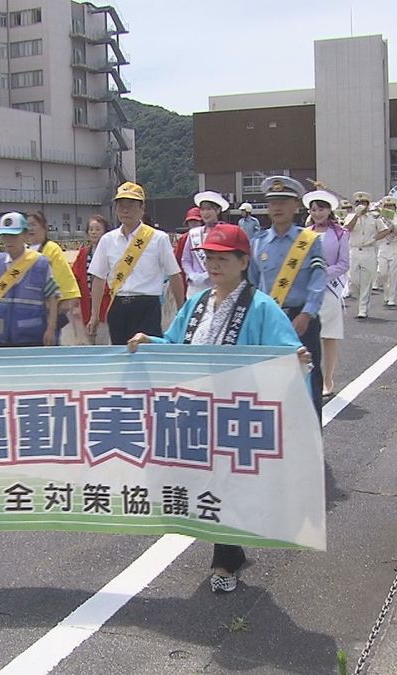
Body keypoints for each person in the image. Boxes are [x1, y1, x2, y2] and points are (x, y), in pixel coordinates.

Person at [126, 223, 312, 594]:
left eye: (222, 258)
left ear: (243, 262)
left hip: (236, 409)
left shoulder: (261, 307)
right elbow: (176, 346)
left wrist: (296, 362)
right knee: (202, 480)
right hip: (196, 406)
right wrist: (150, 343)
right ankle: (231, 549)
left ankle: (225, 557)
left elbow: (286, 352)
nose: (213, 265)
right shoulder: (197, 303)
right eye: (208, 257)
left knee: (227, 481)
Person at [248, 175, 327, 421]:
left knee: (308, 381)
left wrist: (307, 313)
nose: (277, 207)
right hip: (269, 322)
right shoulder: (258, 243)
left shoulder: (309, 241)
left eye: (284, 201)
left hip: (301, 320)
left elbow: (318, 279)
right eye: (273, 202)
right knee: (269, 383)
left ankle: (313, 446)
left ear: (296, 206)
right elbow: (251, 283)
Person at [86, 181, 184, 345]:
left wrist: (182, 311)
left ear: (142, 208)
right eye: (121, 205)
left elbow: (174, 275)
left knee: (148, 355)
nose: (125, 210)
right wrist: (94, 314)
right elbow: (99, 278)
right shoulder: (107, 240)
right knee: (121, 356)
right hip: (118, 305)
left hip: (147, 306)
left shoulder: (158, 238)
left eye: (131, 205)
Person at [0, 212, 59, 347]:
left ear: (24, 235)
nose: (8, 240)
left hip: (32, 336)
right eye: (4, 236)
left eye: (13, 236)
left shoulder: (40, 263)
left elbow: (53, 298)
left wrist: (51, 329)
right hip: (0, 337)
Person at [303, 188, 348, 399]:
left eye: (321, 209)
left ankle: (328, 379)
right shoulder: (305, 233)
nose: (317, 213)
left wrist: (322, 274)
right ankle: (310, 378)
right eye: (313, 210)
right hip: (308, 290)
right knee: (309, 336)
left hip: (330, 289)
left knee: (329, 337)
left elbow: (343, 263)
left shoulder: (340, 233)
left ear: (329, 210)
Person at [26, 211, 82, 344]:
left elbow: (62, 275)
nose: (30, 229)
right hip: (31, 312)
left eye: (34, 224)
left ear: (44, 226)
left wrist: (64, 300)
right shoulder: (25, 251)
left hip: (49, 311)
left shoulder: (52, 248)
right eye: (27, 225)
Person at [344, 191, 388, 319]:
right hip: (354, 250)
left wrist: (375, 238)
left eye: (363, 203)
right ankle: (359, 297)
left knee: (367, 281)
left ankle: (363, 309)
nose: (361, 205)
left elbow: (384, 230)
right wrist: (356, 216)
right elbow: (347, 228)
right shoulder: (351, 216)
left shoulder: (374, 218)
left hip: (369, 251)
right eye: (358, 203)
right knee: (354, 279)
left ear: (368, 205)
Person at [71, 215, 113, 346]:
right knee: (89, 342)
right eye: (91, 229)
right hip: (86, 304)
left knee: (103, 340)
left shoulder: (111, 252)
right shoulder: (83, 253)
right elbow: (75, 276)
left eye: (97, 229)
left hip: (106, 304)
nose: (94, 232)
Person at [181, 190, 232, 298]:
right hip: (195, 288)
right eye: (202, 209)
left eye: (209, 209)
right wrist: (191, 275)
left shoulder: (226, 232)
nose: (205, 213)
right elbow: (186, 259)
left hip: (218, 285)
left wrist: (208, 275)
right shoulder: (193, 234)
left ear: (218, 210)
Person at [374, 196, 397, 307]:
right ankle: (386, 293)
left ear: (395, 208)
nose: (388, 209)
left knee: (393, 274)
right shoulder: (378, 220)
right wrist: (386, 230)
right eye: (386, 206)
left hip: (395, 247)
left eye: (390, 206)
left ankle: (391, 297)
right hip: (383, 247)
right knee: (382, 273)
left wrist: (393, 227)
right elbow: (375, 236)